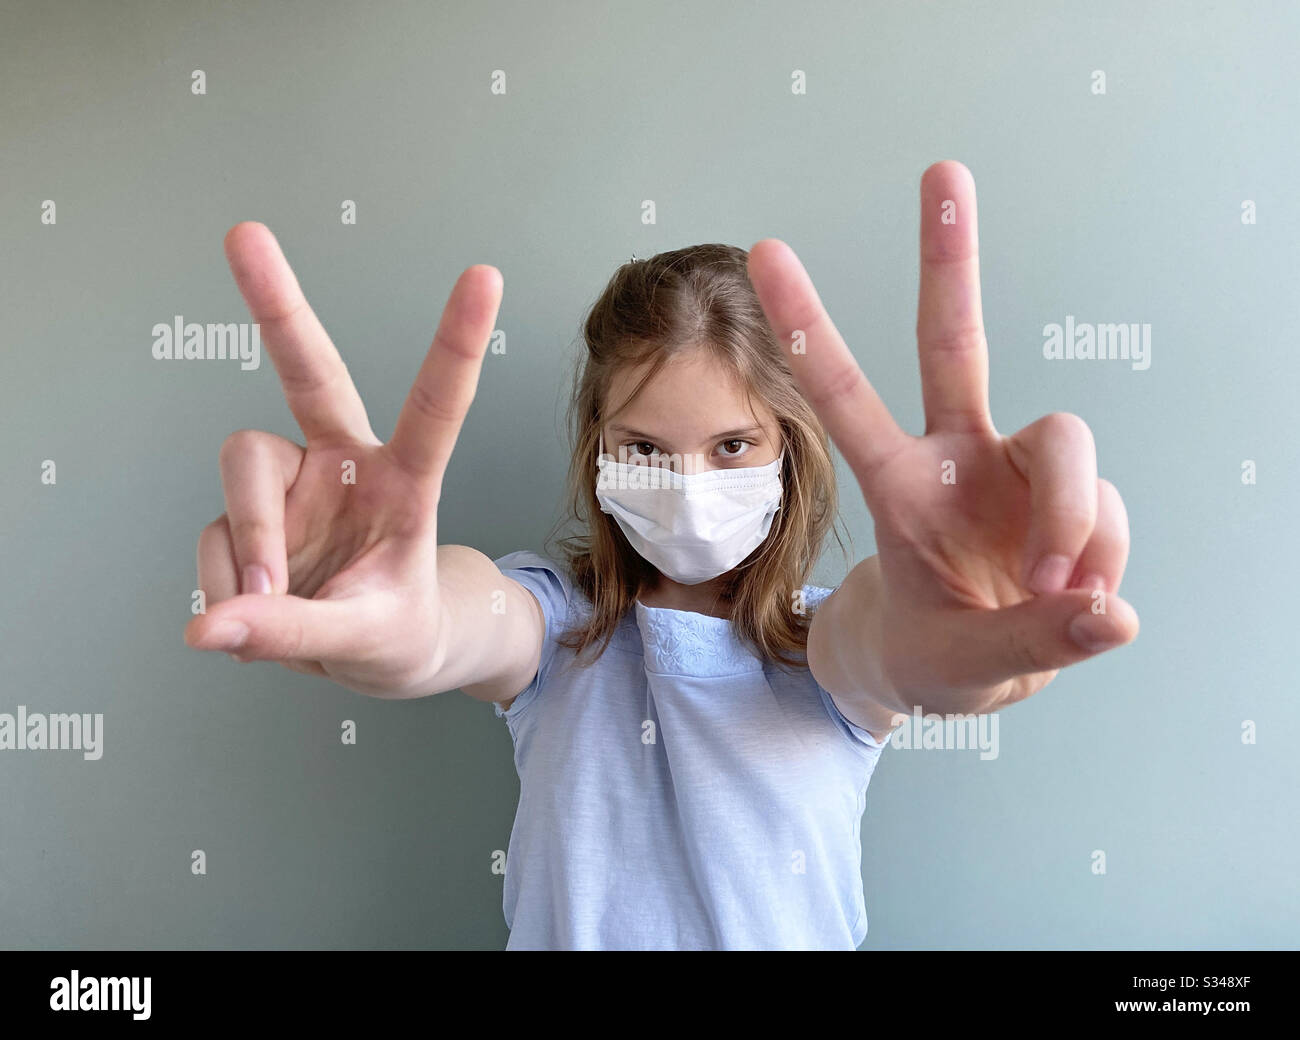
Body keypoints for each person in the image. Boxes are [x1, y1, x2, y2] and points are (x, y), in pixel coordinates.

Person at [184, 160, 1139, 950]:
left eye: (732, 447)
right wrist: (399, 618)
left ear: (789, 449)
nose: (688, 485)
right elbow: (458, 623)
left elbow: (901, 646)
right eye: (644, 448)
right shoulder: (557, 624)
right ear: (598, 450)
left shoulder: (828, 644)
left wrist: (961, 638)